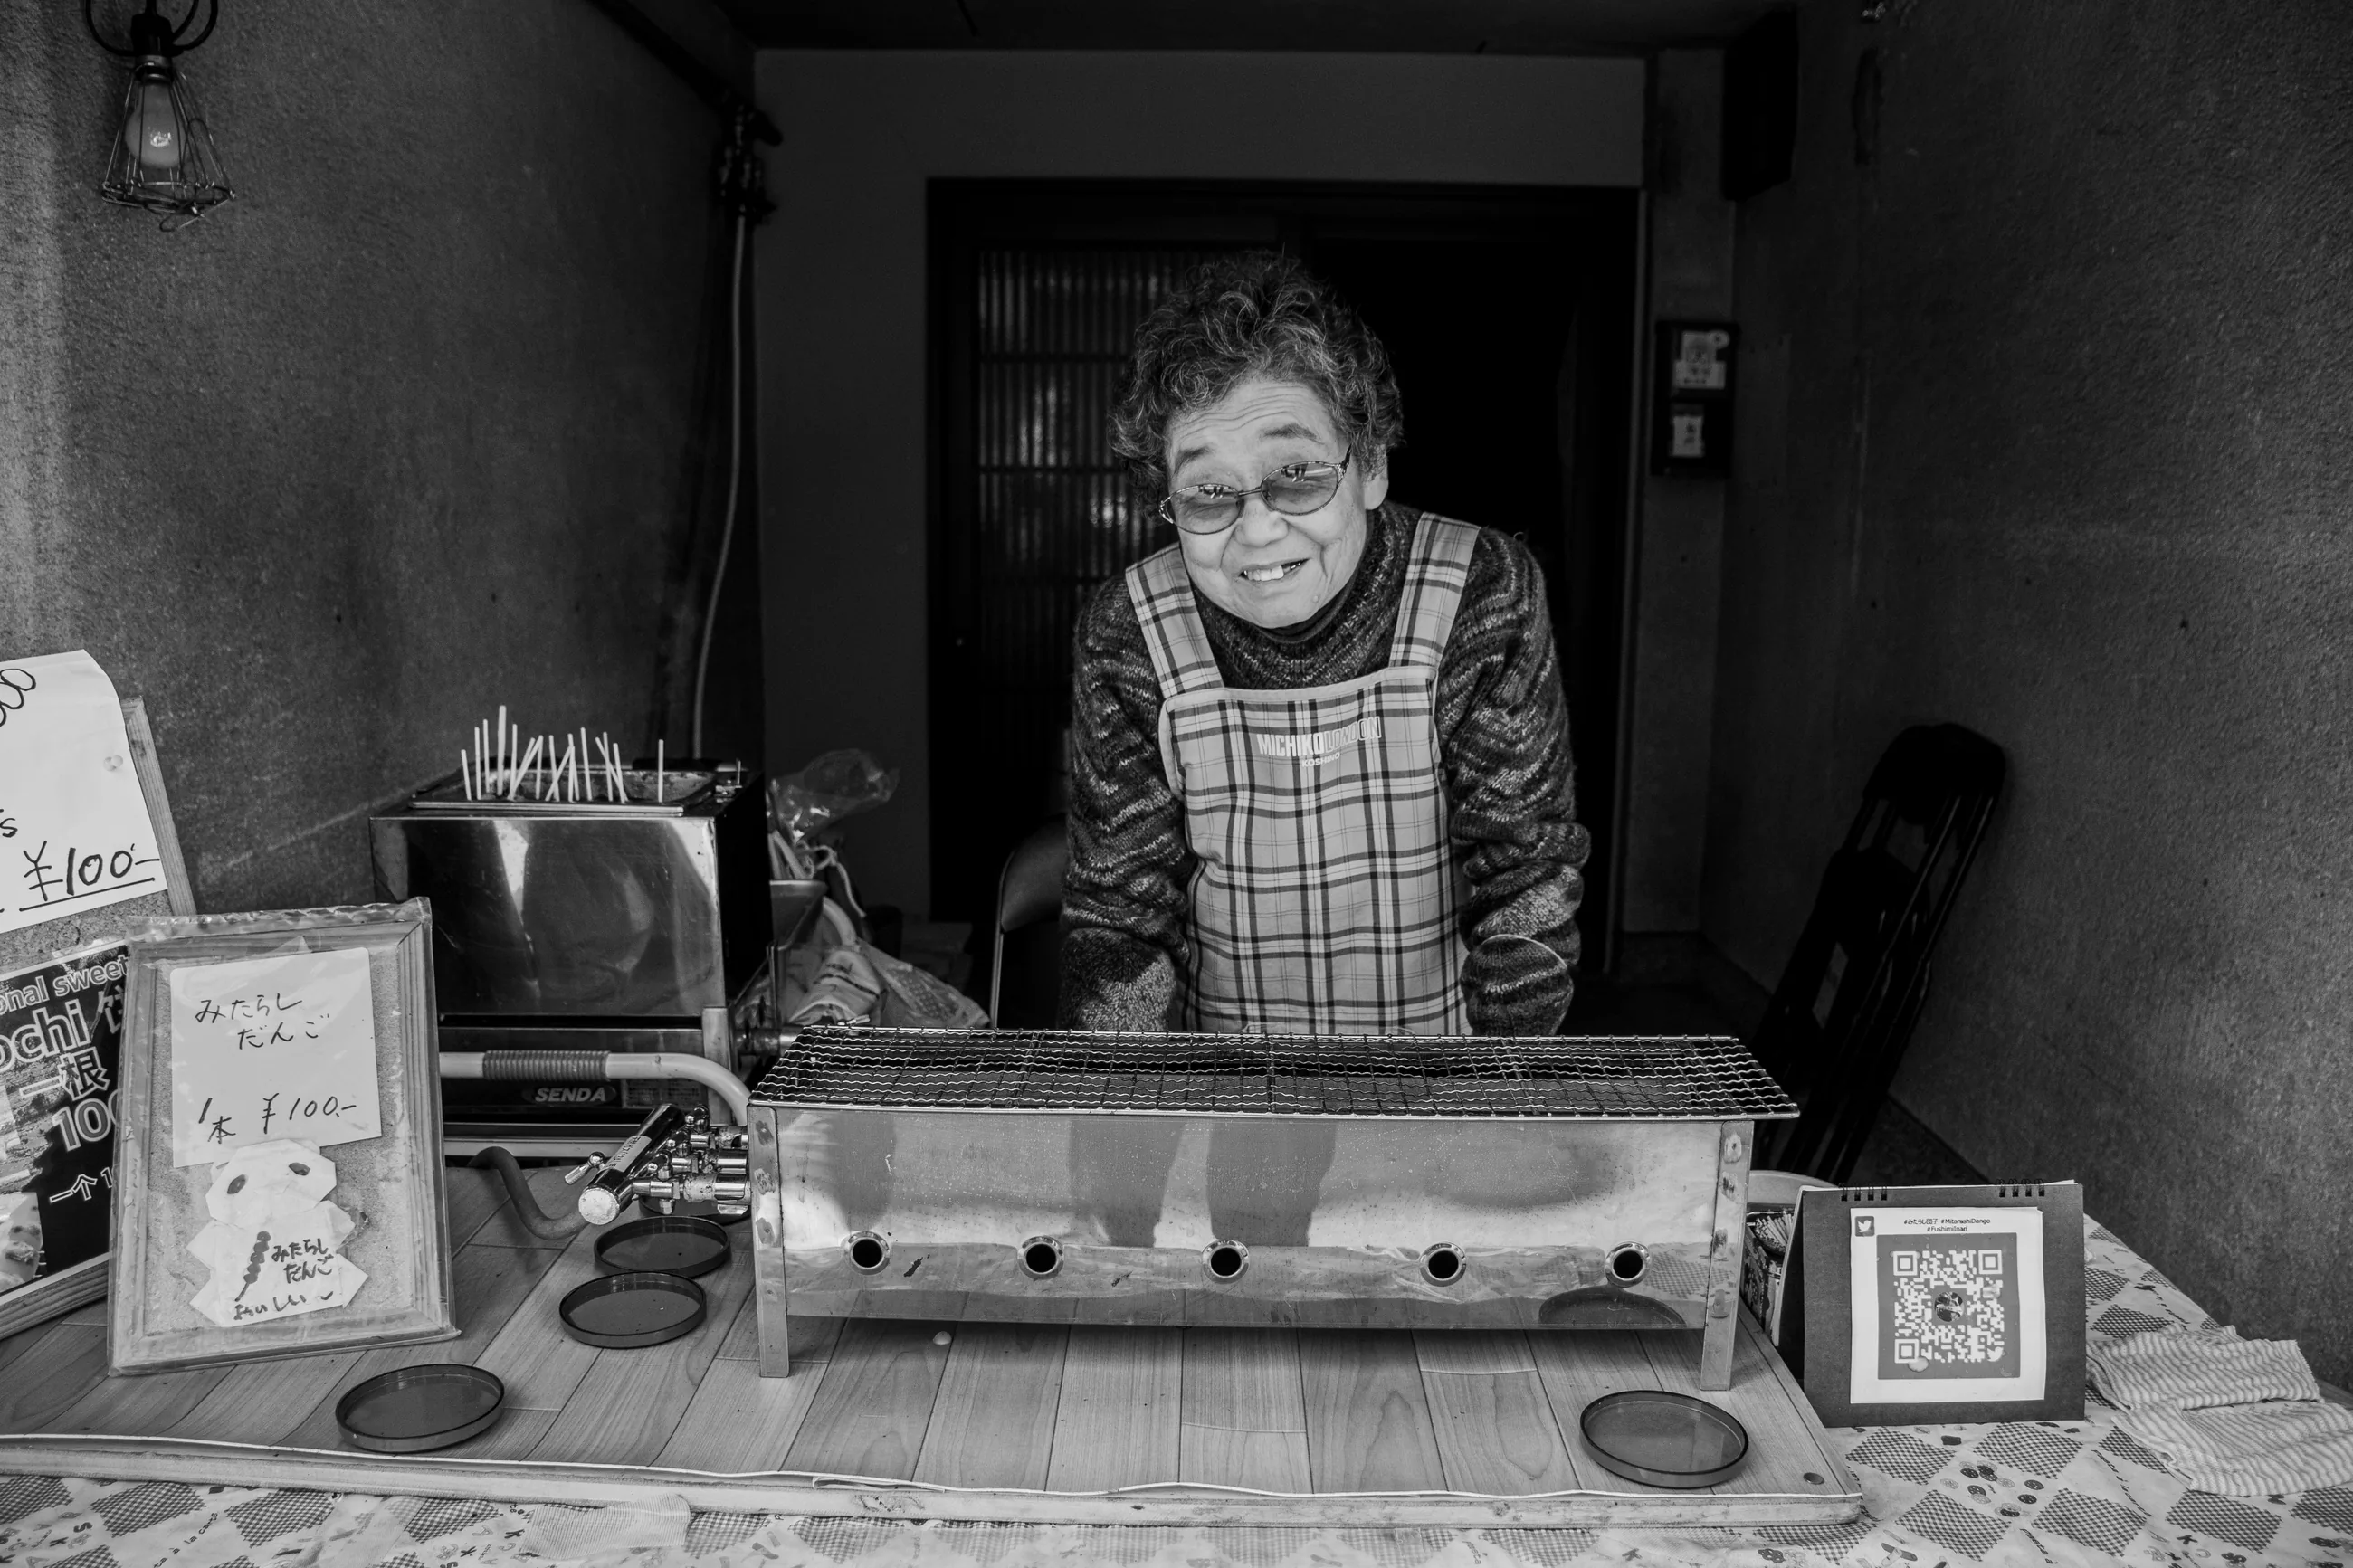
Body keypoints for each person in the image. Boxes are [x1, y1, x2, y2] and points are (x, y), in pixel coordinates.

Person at [1057, 252, 1589, 1041]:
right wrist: (1138, 1118)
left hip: (1436, 1082)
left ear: (1369, 466)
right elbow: (1121, 917)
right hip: (1225, 1087)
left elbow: (1524, 877)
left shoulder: (1480, 590)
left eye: (1297, 473)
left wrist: (1497, 1107)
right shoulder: (1128, 628)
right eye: (1209, 492)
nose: (1259, 528)